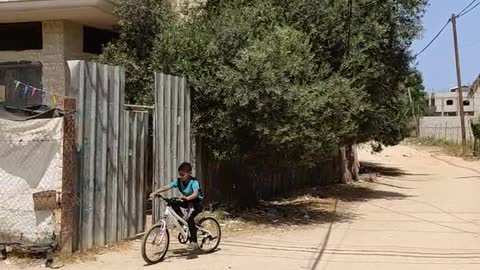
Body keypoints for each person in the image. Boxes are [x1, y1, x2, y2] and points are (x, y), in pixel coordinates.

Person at [150, 162, 203, 251]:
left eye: (183, 174)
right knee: (173, 202)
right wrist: (156, 192)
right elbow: (168, 186)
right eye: (180, 174)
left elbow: (195, 194)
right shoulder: (179, 181)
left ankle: (194, 242)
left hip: (196, 202)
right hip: (186, 200)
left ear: (189, 174)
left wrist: (187, 198)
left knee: (190, 219)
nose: (181, 176)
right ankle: (182, 220)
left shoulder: (194, 182)